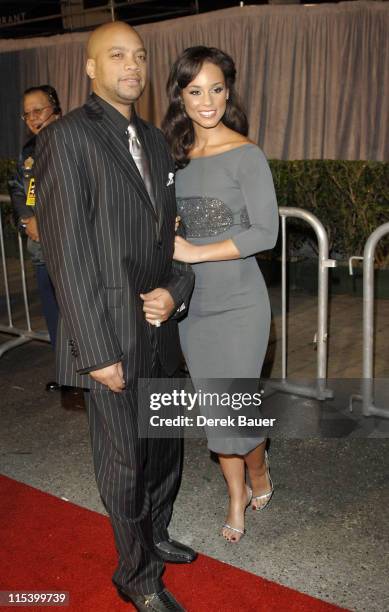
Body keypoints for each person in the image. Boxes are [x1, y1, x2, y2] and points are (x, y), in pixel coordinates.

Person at [35, 22, 195, 612]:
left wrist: (176, 289)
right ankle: (137, 577)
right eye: (117, 55)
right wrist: (96, 351)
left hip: (161, 329)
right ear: (90, 67)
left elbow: (174, 241)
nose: (133, 65)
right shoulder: (67, 138)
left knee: (164, 446)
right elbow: (67, 252)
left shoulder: (156, 142)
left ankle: (155, 536)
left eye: (141, 55)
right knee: (124, 461)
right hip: (110, 336)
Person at [162, 46, 279, 543]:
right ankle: (237, 492)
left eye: (215, 89)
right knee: (215, 410)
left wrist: (193, 252)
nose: (206, 101)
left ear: (228, 92)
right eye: (194, 91)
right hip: (195, 308)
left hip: (240, 305)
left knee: (232, 408)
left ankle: (257, 473)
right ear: (180, 97)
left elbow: (265, 234)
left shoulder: (246, 153)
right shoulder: (175, 156)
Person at [8, 85, 62, 391]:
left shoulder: (73, 140)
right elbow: (18, 189)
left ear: (55, 107)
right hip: (40, 249)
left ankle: (91, 374)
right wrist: (27, 219)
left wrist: (48, 218)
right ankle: (67, 373)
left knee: (78, 313)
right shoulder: (29, 150)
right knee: (53, 313)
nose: (32, 118)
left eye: (38, 110)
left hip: (71, 248)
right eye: (27, 113)